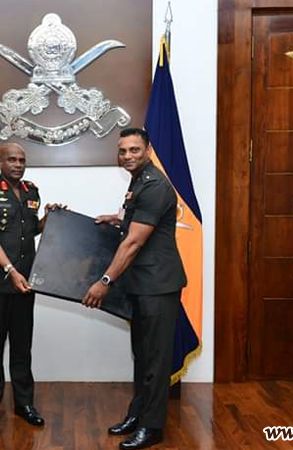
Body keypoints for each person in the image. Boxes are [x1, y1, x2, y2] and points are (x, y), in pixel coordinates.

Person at [82, 128, 186, 450]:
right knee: (142, 356)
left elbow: (134, 242)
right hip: (142, 285)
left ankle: (152, 428)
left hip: (158, 285)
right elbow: (137, 222)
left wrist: (104, 282)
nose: (128, 156)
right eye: (123, 151)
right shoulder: (139, 180)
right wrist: (117, 219)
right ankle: (138, 413)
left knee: (155, 360)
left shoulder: (154, 185)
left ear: (148, 150)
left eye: (134, 150)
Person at [0, 142, 63, 434]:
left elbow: (31, 230)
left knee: (22, 347)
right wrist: (10, 271)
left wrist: (50, 217)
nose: (17, 164)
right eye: (11, 159)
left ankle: (24, 404)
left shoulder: (31, 192)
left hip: (26, 282)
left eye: (22, 159)